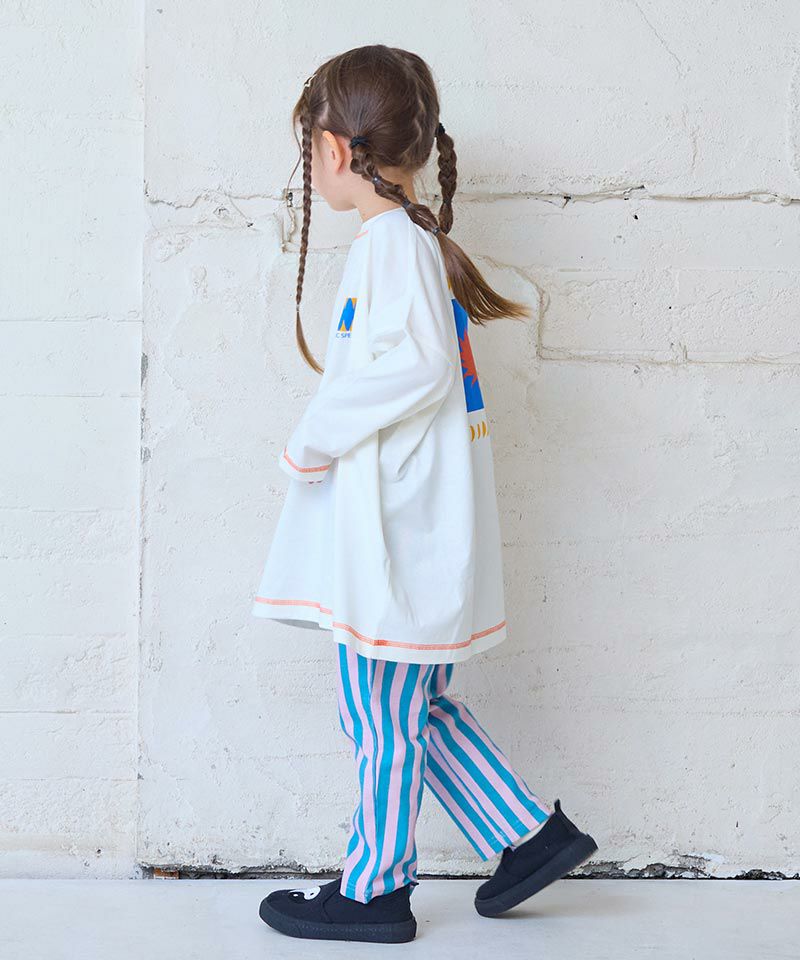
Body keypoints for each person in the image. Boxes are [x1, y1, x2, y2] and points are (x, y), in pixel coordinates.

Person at [252, 44, 597, 944]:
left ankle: (374, 890)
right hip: (411, 531)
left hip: (399, 537)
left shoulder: (393, 248)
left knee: (379, 717)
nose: (308, 164)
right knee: (406, 708)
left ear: (334, 149)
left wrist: (311, 440)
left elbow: (415, 367)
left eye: (307, 147)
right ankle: (529, 836)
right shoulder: (407, 244)